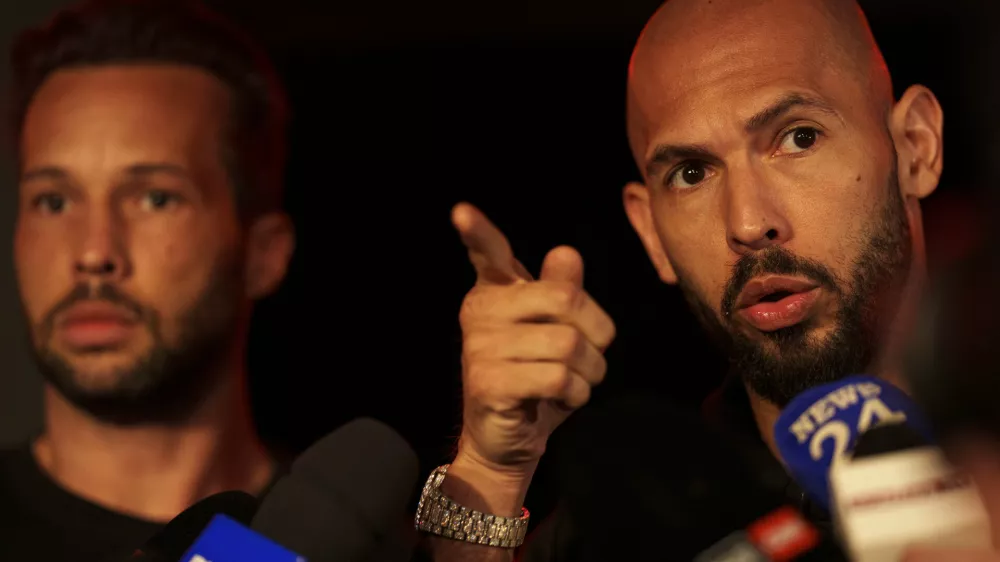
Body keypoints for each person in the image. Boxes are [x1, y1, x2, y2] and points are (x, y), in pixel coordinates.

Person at [418, 0, 944, 560]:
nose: (748, 223)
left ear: (915, 147)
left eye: (798, 138)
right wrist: (490, 474)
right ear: (650, 232)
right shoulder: (623, 537)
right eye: (691, 174)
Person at [0, 0, 295, 560]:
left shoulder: (351, 546)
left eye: (155, 198)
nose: (93, 253)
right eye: (53, 201)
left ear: (264, 254)